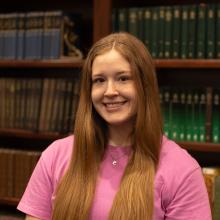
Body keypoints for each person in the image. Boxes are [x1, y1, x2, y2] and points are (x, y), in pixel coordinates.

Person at [17, 32, 211, 220]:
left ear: (145, 85)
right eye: (99, 80)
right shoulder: (55, 156)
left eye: (123, 78)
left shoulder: (183, 170)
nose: (110, 91)